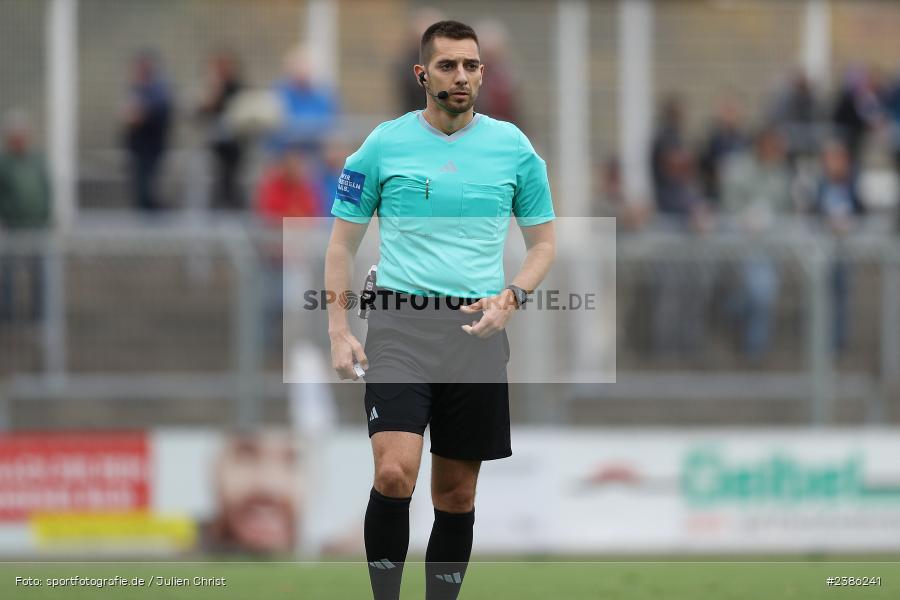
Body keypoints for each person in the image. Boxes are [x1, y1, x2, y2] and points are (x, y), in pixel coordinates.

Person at [324, 21, 555, 600]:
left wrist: (512, 297)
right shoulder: (382, 144)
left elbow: (544, 244)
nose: (461, 76)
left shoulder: (514, 148)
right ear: (422, 74)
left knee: (455, 496)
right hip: (399, 325)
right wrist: (337, 328)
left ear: (483, 73)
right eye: (448, 65)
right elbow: (340, 245)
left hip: (474, 332)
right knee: (394, 473)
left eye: (471, 66)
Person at [720, 126, 794, 358]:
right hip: (746, 243)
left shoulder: (782, 173)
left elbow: (786, 208)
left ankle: (739, 323)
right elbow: (729, 206)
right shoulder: (739, 169)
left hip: (772, 244)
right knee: (762, 292)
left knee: (763, 293)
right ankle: (755, 350)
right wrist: (746, 218)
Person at [0, 109, 51, 322]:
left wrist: (47, 215)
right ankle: (8, 316)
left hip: (37, 227)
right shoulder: (4, 164)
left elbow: (47, 188)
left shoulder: (38, 160)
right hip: (13, 228)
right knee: (8, 275)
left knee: (40, 275)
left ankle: (40, 316)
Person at [122, 51, 173, 211]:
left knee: (146, 188)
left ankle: (156, 219)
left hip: (150, 146)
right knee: (140, 187)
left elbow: (142, 115)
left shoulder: (157, 91)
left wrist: (137, 114)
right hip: (138, 146)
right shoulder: (137, 89)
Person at [196, 50, 246, 210]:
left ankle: (233, 209)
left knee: (231, 181)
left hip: (234, 145)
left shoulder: (237, 87)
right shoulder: (212, 88)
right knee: (217, 181)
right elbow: (201, 112)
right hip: (216, 145)